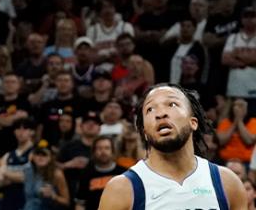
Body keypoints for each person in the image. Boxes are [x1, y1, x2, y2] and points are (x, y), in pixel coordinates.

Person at [97, 83, 247, 209]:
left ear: (193, 122)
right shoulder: (121, 189)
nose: (160, 114)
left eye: (172, 104)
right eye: (150, 109)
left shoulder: (227, 182)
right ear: (145, 132)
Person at [73, 136, 124, 210]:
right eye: (99, 148)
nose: (103, 152)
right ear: (93, 152)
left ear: (112, 151)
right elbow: (80, 204)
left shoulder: (124, 173)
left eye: (107, 148)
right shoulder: (86, 174)